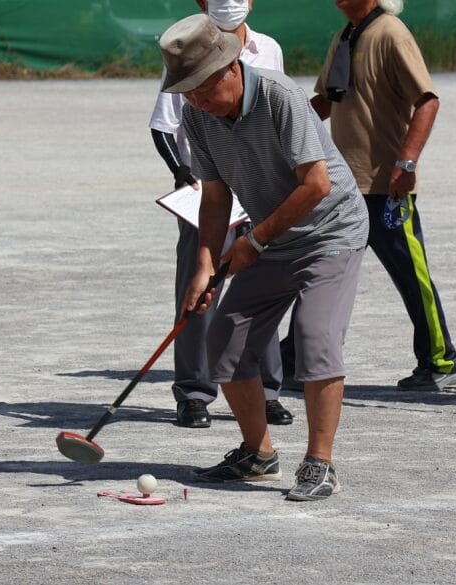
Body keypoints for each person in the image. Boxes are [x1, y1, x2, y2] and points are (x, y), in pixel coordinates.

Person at [159, 14, 369, 500]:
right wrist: (205, 267)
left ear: (231, 68)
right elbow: (214, 197)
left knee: (316, 339)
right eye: (186, 91)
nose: (195, 101)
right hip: (275, 240)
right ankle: (258, 454)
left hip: (330, 232)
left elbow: (316, 185)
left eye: (202, 88)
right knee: (226, 341)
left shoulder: (280, 96)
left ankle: (320, 463)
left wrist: (253, 242)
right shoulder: (198, 114)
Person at [280, 0, 456, 393]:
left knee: (411, 275)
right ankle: (295, 357)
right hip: (345, 185)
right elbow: (328, 100)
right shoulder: (345, 35)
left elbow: (427, 101)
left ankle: (442, 360)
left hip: (385, 184)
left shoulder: (391, 34)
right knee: (323, 269)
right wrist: (284, 130)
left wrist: (408, 162)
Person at [149, 0, 293, 428]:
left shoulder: (269, 49)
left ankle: (266, 390)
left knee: (262, 290)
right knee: (200, 286)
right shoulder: (189, 49)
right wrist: (182, 175)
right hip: (207, 190)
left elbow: (282, 118)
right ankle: (194, 392)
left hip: (261, 191)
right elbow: (163, 124)